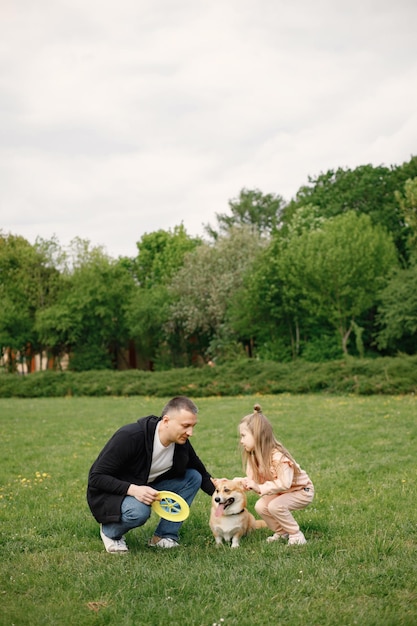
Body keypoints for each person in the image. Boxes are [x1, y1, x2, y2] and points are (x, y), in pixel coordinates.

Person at [87, 396, 215, 552]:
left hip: (147, 486)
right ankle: (110, 533)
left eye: (193, 426)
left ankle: (163, 536)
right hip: (115, 493)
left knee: (193, 477)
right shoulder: (131, 436)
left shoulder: (180, 442)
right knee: (139, 511)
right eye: (185, 426)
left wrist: (227, 490)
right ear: (166, 421)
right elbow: (96, 477)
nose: (190, 432)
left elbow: (201, 473)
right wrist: (134, 490)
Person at [236, 403, 314, 545]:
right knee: (260, 506)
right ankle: (281, 532)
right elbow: (253, 481)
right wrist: (241, 483)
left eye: (243, 436)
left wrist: (259, 488)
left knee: (275, 506)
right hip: (282, 492)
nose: (241, 441)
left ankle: (296, 535)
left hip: (302, 491)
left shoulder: (278, 457)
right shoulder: (254, 457)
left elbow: (285, 483)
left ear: (257, 435)